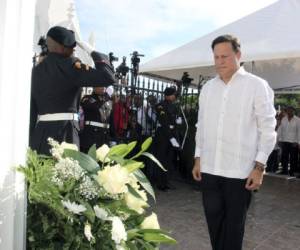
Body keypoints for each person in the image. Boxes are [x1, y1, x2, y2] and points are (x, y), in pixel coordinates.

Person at [192, 34, 276, 250]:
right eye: (216, 56)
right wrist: (198, 157)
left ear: (238, 55)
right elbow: (201, 125)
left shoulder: (257, 86)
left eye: (225, 56)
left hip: (240, 172)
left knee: (234, 228)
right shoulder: (207, 88)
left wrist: (259, 166)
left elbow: (267, 129)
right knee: (214, 224)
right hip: (210, 169)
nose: (220, 61)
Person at [30, 26, 115, 155]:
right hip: (66, 135)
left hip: (40, 137)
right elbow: (108, 76)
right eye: (71, 46)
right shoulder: (71, 66)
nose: (73, 50)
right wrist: (92, 51)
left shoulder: (36, 71)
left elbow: (31, 112)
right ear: (62, 47)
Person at [153, 87, 183, 191]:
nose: (175, 96)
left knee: (169, 159)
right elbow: (164, 122)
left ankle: (167, 181)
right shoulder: (160, 106)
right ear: (168, 95)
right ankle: (161, 183)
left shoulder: (174, 106)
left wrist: (178, 121)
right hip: (163, 135)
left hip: (171, 135)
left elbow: (175, 122)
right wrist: (171, 138)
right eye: (173, 94)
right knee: (162, 159)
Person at [79, 87, 113, 153]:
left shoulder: (108, 101)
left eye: (105, 85)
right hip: (91, 138)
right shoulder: (87, 99)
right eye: (101, 85)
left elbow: (111, 121)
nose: (103, 87)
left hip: (104, 138)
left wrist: (113, 138)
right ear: (94, 87)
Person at [277, 106, 300, 176]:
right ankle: (284, 170)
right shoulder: (283, 119)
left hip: (294, 142)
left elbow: (299, 131)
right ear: (286, 111)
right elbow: (280, 129)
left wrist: (297, 141)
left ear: (293, 111)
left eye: (291, 110)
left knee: (293, 158)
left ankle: (292, 171)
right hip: (284, 141)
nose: (289, 112)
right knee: (284, 157)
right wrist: (280, 139)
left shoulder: (298, 120)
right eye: (288, 110)